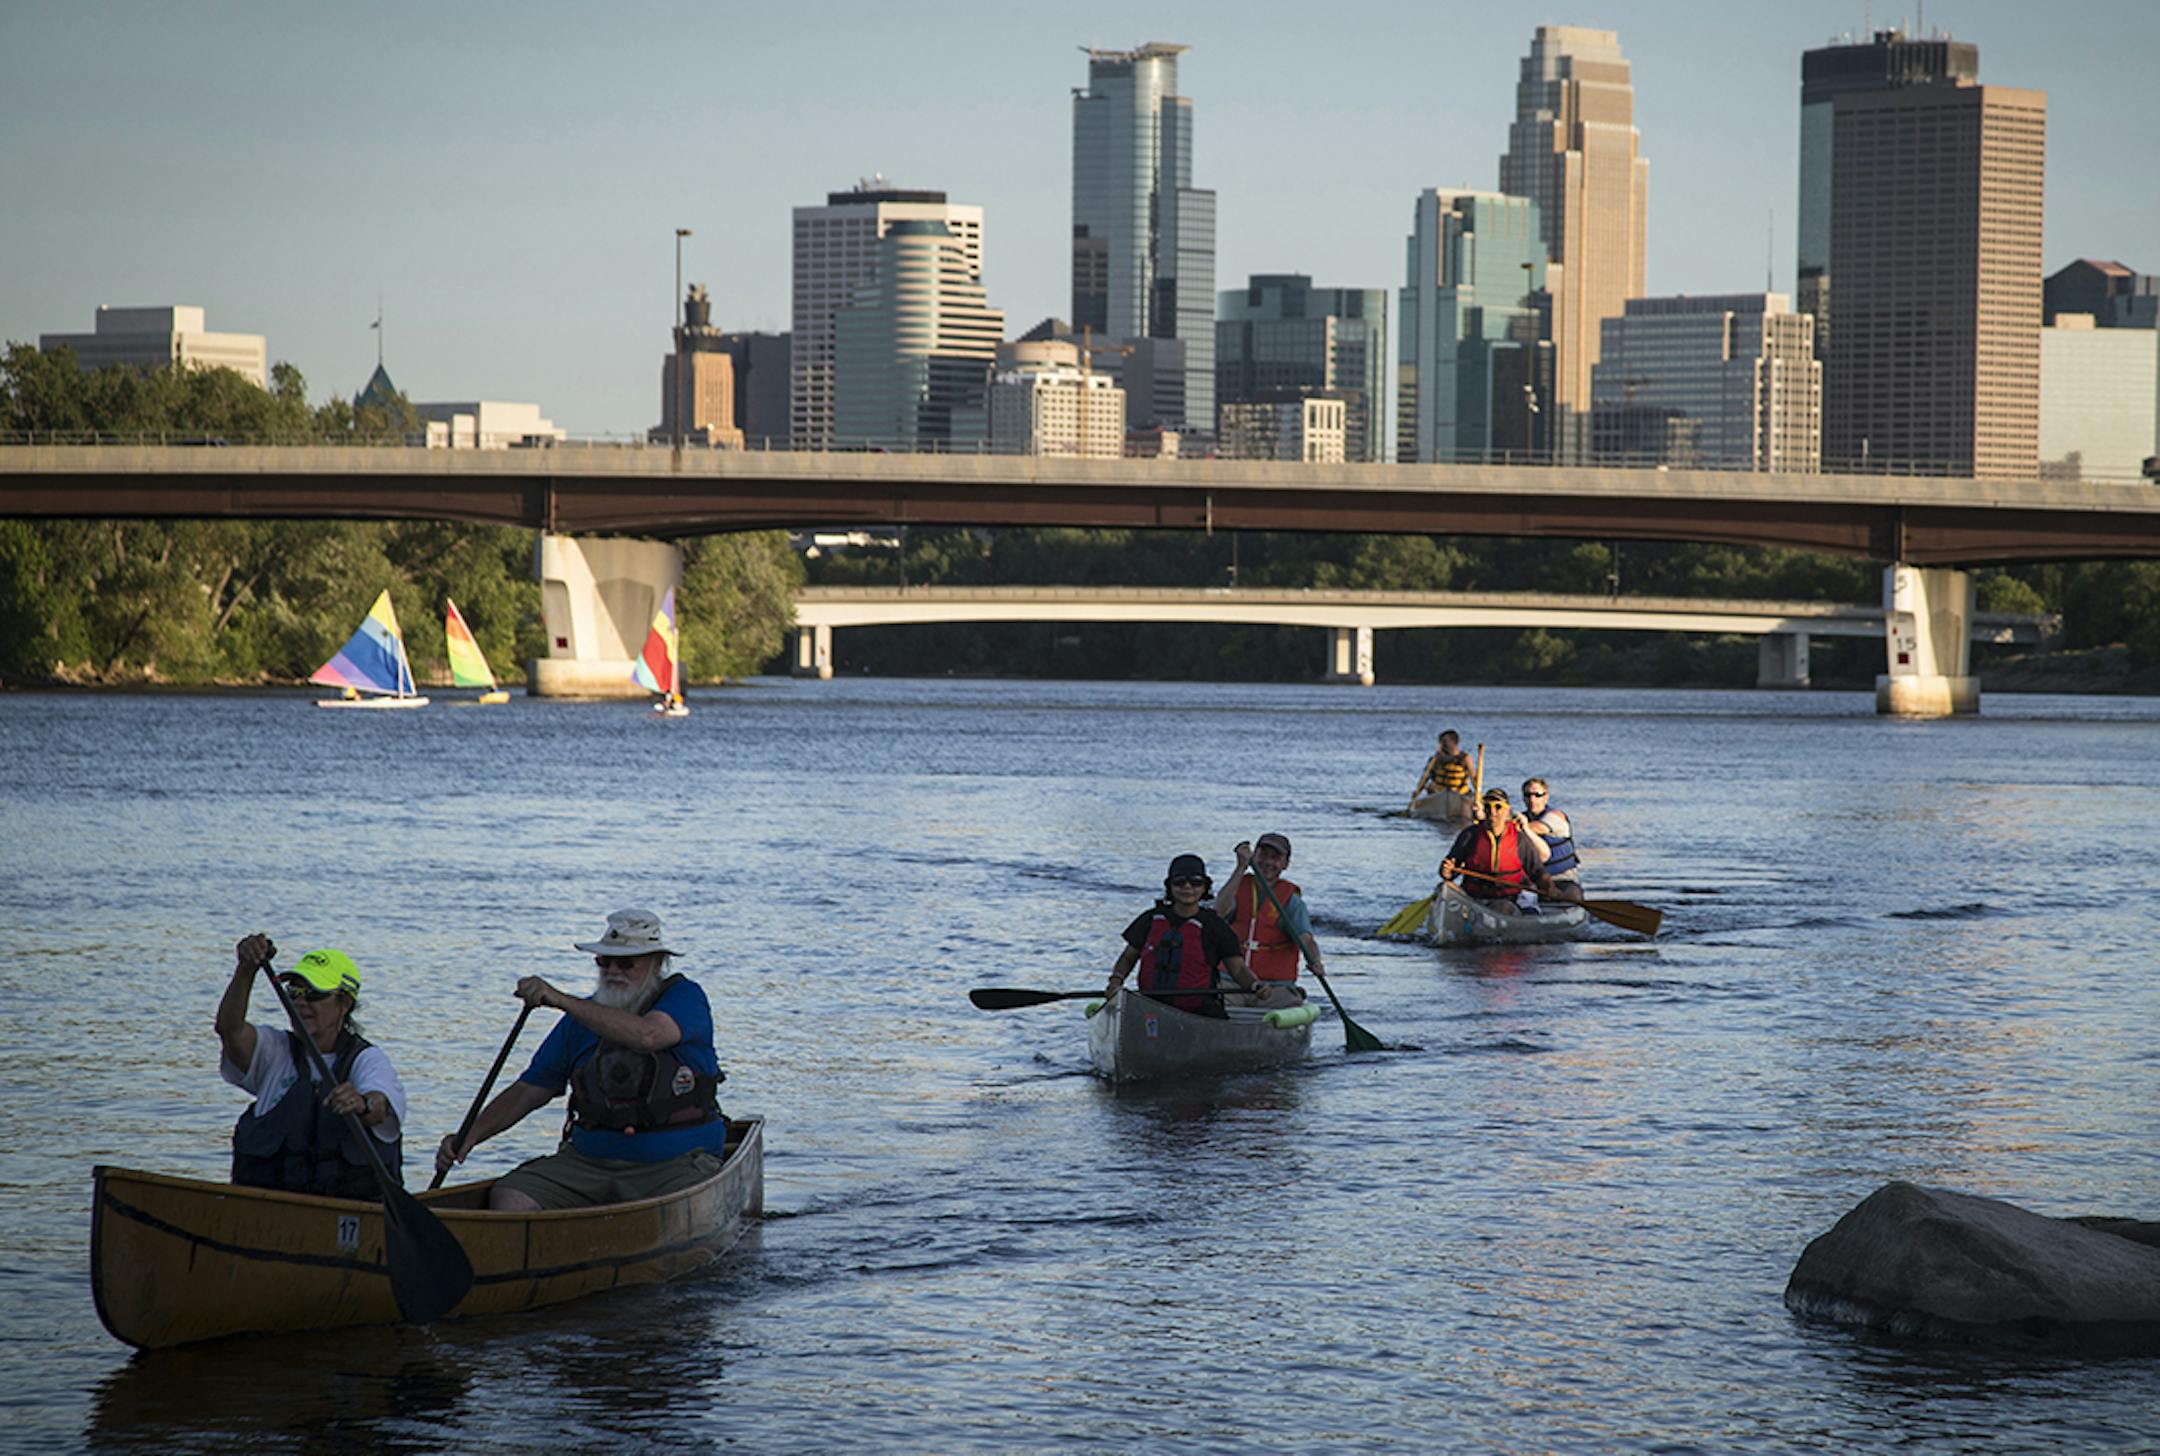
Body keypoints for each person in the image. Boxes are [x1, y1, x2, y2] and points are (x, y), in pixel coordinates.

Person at [434, 909, 729, 1211]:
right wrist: (469, 1136)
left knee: (674, 1209)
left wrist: (559, 999)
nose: (614, 970)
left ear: (656, 964)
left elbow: (648, 1036)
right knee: (510, 1198)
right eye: (605, 960)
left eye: (627, 963)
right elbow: (531, 1089)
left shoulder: (686, 998)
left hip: (675, 1165)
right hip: (588, 1164)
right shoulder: (580, 1019)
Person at [217, 934, 407, 1199]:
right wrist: (246, 970)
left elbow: (379, 1106)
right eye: (294, 992)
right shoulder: (274, 1050)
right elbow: (230, 1030)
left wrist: (361, 1104)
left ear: (345, 1004)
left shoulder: (368, 1060)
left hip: (347, 1215)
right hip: (267, 1213)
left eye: (314, 994)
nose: (300, 1002)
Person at [1102, 854, 1274, 1017]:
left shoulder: (1215, 926)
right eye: (1179, 882)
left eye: (1196, 882)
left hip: (1200, 1012)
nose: (1187, 887)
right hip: (1151, 1008)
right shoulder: (1150, 919)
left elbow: (1238, 969)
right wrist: (1116, 981)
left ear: (1205, 887)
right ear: (1169, 886)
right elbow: (1128, 957)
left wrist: (1254, 984)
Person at [1214, 831, 1320, 1003]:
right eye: (1263, 855)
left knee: (1282, 1005)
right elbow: (1219, 911)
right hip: (1231, 981)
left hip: (1276, 986)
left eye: (1275, 857)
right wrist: (1240, 867)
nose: (1268, 862)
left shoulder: (1292, 902)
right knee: (1216, 1004)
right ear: (1254, 857)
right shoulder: (1237, 886)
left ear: (1285, 864)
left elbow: (1306, 939)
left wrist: (1315, 960)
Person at [1440, 788, 1556, 915]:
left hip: (1506, 899)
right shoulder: (1469, 835)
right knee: (1444, 888)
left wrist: (1548, 889)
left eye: (1498, 807)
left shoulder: (1519, 839)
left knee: (1502, 908)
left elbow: (1538, 872)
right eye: (1488, 807)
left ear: (1507, 811)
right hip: (1473, 897)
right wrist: (1446, 872)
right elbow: (1451, 871)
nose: (1492, 812)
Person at [1518, 777, 1584, 903]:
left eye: (1537, 795)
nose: (1532, 799)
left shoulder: (1556, 817)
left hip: (1563, 879)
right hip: (1536, 881)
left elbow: (1540, 827)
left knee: (1574, 896)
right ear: (1523, 798)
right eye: (1528, 795)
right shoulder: (1520, 820)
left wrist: (1507, 825)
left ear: (1546, 797)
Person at [1413, 730, 1476, 818]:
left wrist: (1478, 795)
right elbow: (1425, 777)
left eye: (1444, 742)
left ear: (1454, 743)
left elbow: (1473, 777)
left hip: (1460, 793)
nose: (1441, 745)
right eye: (1440, 742)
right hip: (1438, 793)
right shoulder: (1435, 759)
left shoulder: (1464, 758)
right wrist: (1417, 792)